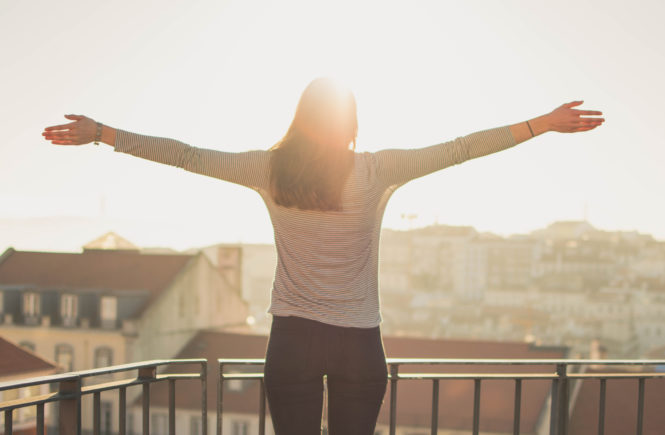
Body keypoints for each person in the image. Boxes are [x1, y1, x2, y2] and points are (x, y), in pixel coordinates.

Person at [42, 78, 604, 434]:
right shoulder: (377, 169)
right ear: (351, 123)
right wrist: (541, 125)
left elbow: (188, 156)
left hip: (292, 340)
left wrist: (103, 134)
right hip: (360, 341)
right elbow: (458, 150)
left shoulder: (268, 169)